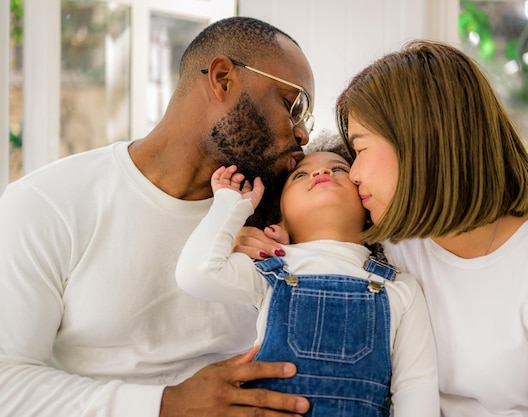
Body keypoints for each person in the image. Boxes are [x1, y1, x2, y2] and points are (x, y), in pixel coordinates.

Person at [236, 40, 528, 417]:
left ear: (420, 143)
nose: (352, 174)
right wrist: (248, 242)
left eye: (360, 150)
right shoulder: (390, 246)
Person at [0, 16, 315, 417]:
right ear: (222, 79)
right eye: (294, 105)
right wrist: (166, 404)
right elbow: (6, 383)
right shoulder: (46, 202)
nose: (302, 133)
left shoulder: (274, 219)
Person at [175, 151, 439, 417]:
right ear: (279, 217)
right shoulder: (269, 267)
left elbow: (415, 388)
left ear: (366, 202)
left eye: (339, 170)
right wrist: (231, 204)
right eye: (300, 175)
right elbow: (196, 274)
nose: (321, 173)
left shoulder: (399, 285)